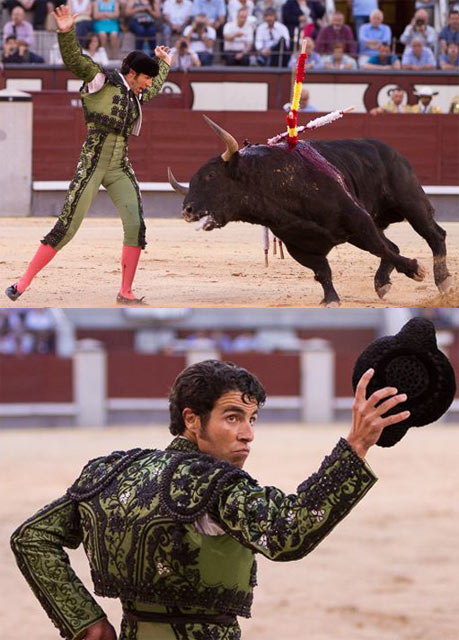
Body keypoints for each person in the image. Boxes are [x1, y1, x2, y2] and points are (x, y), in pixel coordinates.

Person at [10, 358, 411, 640]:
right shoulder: (216, 485)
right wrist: (356, 445)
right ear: (191, 419)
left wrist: (87, 623)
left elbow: (32, 537)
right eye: (232, 417)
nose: (248, 433)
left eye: (252, 419)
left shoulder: (111, 471)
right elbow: (289, 532)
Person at [5, 4, 171, 305]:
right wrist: (67, 32)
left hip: (119, 166)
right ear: (131, 74)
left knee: (135, 223)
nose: (148, 83)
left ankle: (126, 291)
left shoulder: (137, 92)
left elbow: (154, 89)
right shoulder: (100, 80)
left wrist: (164, 63)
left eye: (150, 79)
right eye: (145, 78)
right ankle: (22, 282)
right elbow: (74, 60)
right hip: (92, 165)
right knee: (67, 226)